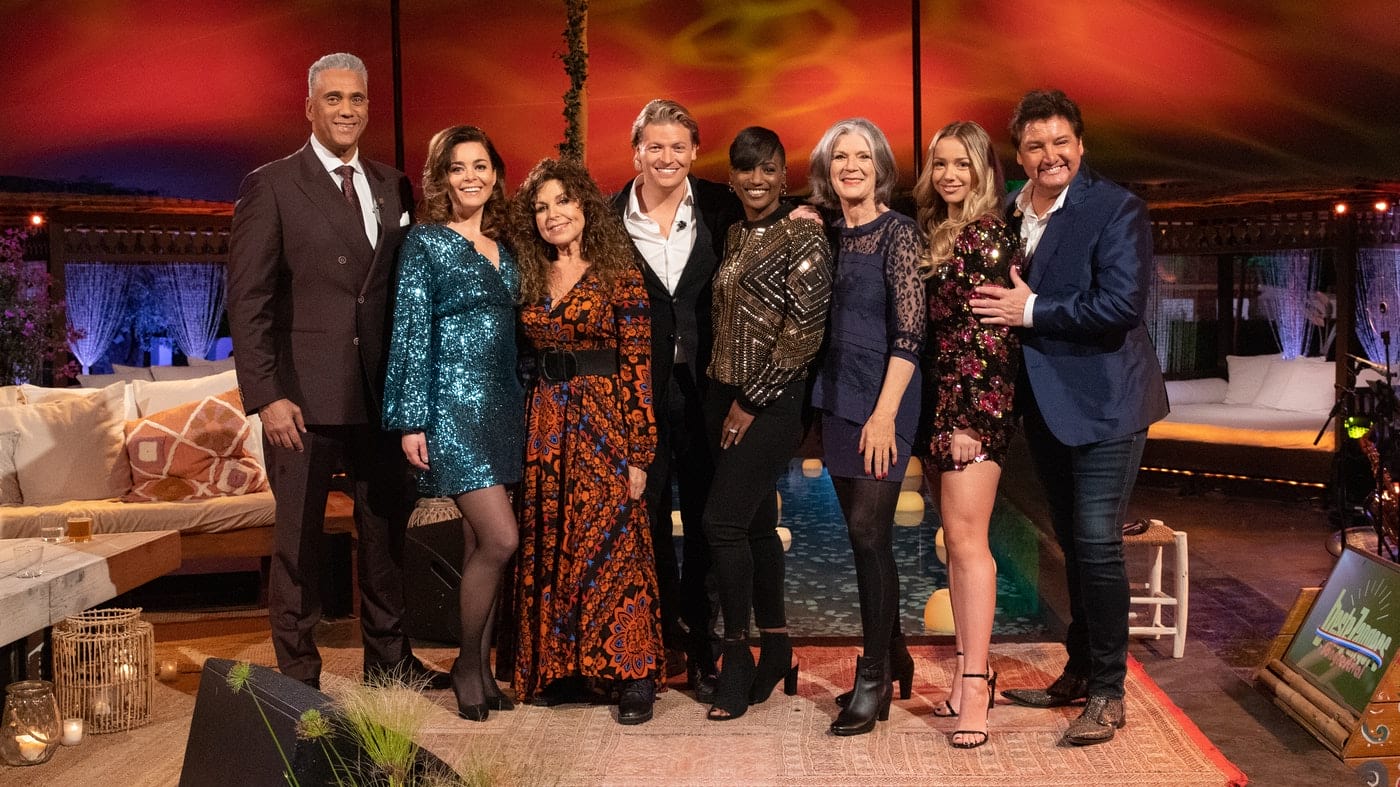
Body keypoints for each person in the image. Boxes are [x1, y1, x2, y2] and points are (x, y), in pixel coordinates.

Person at [227, 52, 447, 691]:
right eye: (333, 99)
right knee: (299, 545)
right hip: (300, 401)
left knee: (386, 536)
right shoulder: (271, 185)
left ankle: (389, 663)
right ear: (309, 108)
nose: (347, 110)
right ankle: (299, 675)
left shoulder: (393, 185)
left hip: (381, 395)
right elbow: (248, 301)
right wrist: (267, 395)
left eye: (357, 99)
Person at [971, 89, 1168, 746]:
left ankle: (1109, 691)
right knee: (1074, 545)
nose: (1050, 155)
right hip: (1047, 405)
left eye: (1061, 142)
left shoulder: (1116, 208)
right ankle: (1080, 670)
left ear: (1080, 144)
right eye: (1036, 146)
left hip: (1109, 401)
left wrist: (1030, 311)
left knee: (1097, 542)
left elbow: (1121, 305)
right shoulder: (1008, 209)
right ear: (1019, 155)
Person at [510, 157, 664, 725]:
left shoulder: (618, 272)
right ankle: (563, 668)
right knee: (553, 541)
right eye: (541, 207)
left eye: (563, 201)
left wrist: (639, 451)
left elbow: (639, 365)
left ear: (585, 206)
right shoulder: (528, 276)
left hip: (605, 423)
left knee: (613, 544)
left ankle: (632, 673)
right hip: (547, 424)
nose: (553, 215)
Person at [382, 125, 521, 721]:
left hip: (503, 407)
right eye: (458, 167)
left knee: (478, 545)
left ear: (495, 174)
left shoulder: (506, 244)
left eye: (480, 165)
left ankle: (483, 671)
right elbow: (410, 332)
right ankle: (466, 664)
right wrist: (412, 420)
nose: (471, 177)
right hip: (451, 410)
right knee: (501, 539)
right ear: (442, 177)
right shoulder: (425, 242)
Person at [610, 98, 742, 699]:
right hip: (637, 396)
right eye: (655, 147)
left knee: (711, 522)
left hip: (709, 392)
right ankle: (653, 645)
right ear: (636, 152)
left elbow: (776, 213)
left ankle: (704, 644)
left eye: (678, 147)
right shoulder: (607, 218)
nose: (667, 157)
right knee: (646, 522)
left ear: (694, 152)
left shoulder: (719, 206)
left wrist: (808, 214)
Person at [703, 127, 832, 721]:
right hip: (723, 396)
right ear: (732, 176)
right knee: (754, 526)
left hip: (770, 404)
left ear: (785, 175)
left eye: (769, 168)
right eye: (746, 168)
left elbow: (804, 333)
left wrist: (751, 401)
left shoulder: (804, 233)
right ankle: (777, 644)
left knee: (721, 524)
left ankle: (736, 657)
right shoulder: (733, 231)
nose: (757, 179)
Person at [809, 118, 925, 736]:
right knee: (862, 541)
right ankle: (896, 654)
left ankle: (873, 675)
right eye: (839, 157)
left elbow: (910, 333)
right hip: (836, 397)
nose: (850, 167)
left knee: (867, 531)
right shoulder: (826, 235)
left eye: (861, 156)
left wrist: (884, 415)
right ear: (827, 169)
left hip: (886, 400)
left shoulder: (899, 233)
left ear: (880, 166)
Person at [912, 120, 1023, 749]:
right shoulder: (942, 230)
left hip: (972, 409)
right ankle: (965, 671)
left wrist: (969, 421)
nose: (950, 175)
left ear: (983, 170)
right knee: (955, 544)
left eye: (963, 164)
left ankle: (977, 684)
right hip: (942, 406)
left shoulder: (985, 234)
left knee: (968, 542)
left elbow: (989, 338)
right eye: (941, 164)